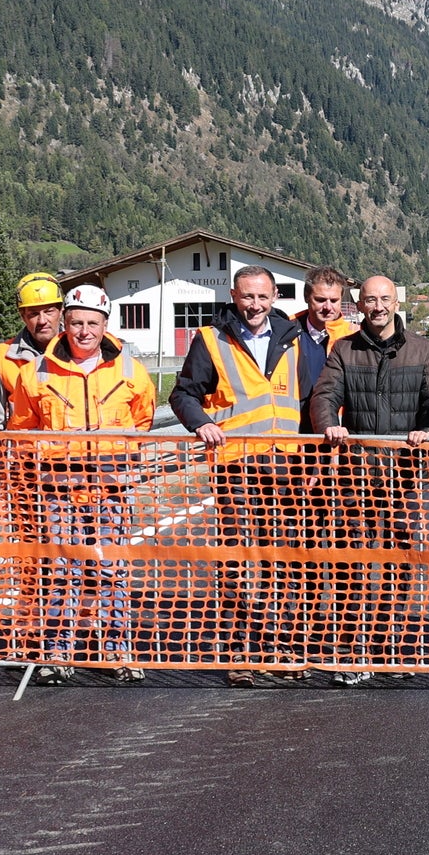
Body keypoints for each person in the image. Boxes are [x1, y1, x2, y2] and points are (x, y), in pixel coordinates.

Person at [1, 282, 156, 685]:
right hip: (58, 489)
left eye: (92, 323)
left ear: (105, 324)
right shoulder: (36, 372)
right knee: (60, 568)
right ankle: (58, 649)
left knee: (112, 568)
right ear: (64, 324)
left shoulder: (128, 368)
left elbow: (143, 418)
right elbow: (22, 427)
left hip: (111, 488)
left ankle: (116, 648)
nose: (84, 331)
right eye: (76, 323)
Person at [170, 265, 312, 684]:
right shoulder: (212, 339)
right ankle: (240, 649)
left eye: (263, 297)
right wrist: (200, 423)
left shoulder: (293, 339)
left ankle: (280, 644)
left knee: (281, 559)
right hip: (235, 465)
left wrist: (311, 460)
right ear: (234, 296)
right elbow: (183, 393)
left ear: (274, 298)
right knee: (237, 558)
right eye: (248, 297)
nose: (255, 305)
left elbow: (308, 399)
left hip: (284, 465)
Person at [312, 274, 429, 683]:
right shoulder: (344, 349)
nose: (378, 307)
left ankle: (387, 640)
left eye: (385, 299)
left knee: (398, 560)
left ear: (396, 302)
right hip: (357, 476)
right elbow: (326, 395)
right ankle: (353, 645)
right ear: (360, 305)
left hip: (405, 477)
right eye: (370, 300)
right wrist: (328, 425)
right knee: (353, 561)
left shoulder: (422, 350)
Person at [0, 272, 65, 440]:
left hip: (71, 457)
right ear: (22, 316)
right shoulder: (5, 356)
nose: (42, 320)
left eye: (49, 311)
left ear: (61, 311)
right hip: (23, 457)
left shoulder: (78, 351)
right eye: (33, 314)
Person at [293, 266, 356, 430]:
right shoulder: (285, 332)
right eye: (320, 300)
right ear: (307, 297)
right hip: (294, 430)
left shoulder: (354, 337)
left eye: (334, 301)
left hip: (337, 432)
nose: (328, 307)